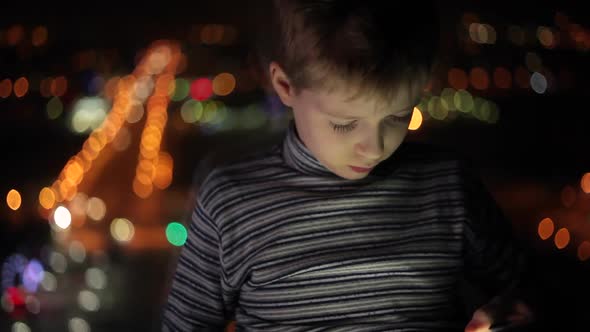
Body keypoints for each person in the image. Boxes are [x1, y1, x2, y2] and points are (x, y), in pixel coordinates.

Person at [161, 1, 535, 331]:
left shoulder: (448, 186)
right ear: (285, 86)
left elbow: (523, 289)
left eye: (398, 117)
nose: (373, 147)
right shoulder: (231, 202)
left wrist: (508, 312)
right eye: (343, 123)